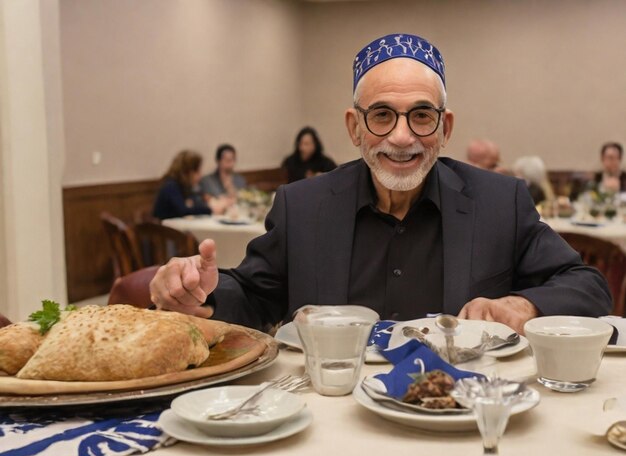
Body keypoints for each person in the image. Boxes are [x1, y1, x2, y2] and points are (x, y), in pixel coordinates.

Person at [150, 33, 611, 335]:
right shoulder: (303, 205)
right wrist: (196, 289)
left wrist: (523, 306)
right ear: (354, 128)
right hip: (331, 412)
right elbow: (254, 295)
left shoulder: (499, 201)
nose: (402, 136)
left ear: (445, 128)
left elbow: (588, 285)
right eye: (382, 115)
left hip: (458, 407)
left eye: (422, 116)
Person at [152, 150, 224, 220]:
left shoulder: (184, 186)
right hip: (162, 230)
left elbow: (193, 204)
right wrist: (210, 210)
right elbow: (184, 211)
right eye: (197, 171)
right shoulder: (171, 186)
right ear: (187, 172)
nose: (200, 176)